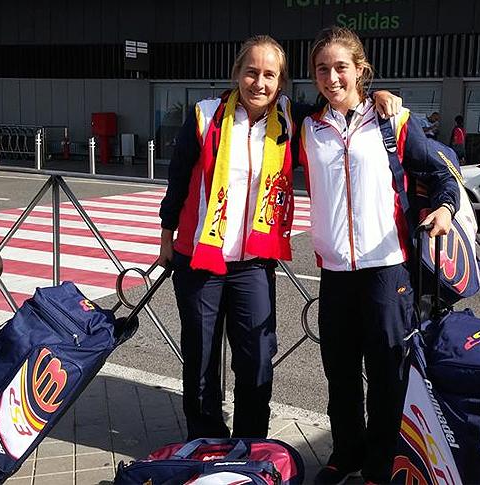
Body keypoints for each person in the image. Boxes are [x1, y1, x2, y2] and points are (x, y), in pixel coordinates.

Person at [158, 35, 402, 440]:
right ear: (237, 74)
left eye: (270, 75)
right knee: (200, 358)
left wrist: (378, 96)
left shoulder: (291, 118)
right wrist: (167, 235)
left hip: (253, 262)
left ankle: (251, 442)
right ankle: (205, 440)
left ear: (282, 82)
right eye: (251, 72)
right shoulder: (205, 116)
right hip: (200, 259)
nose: (259, 83)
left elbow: (340, 99)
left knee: (256, 358)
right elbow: (179, 179)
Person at [299, 26, 459, 484]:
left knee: (387, 375)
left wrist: (445, 210)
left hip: (387, 271)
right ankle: (346, 453)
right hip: (335, 272)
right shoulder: (309, 128)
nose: (332, 77)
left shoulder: (392, 121)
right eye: (322, 69)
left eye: (341, 67)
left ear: (360, 70)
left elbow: (441, 173)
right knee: (340, 374)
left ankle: (381, 462)